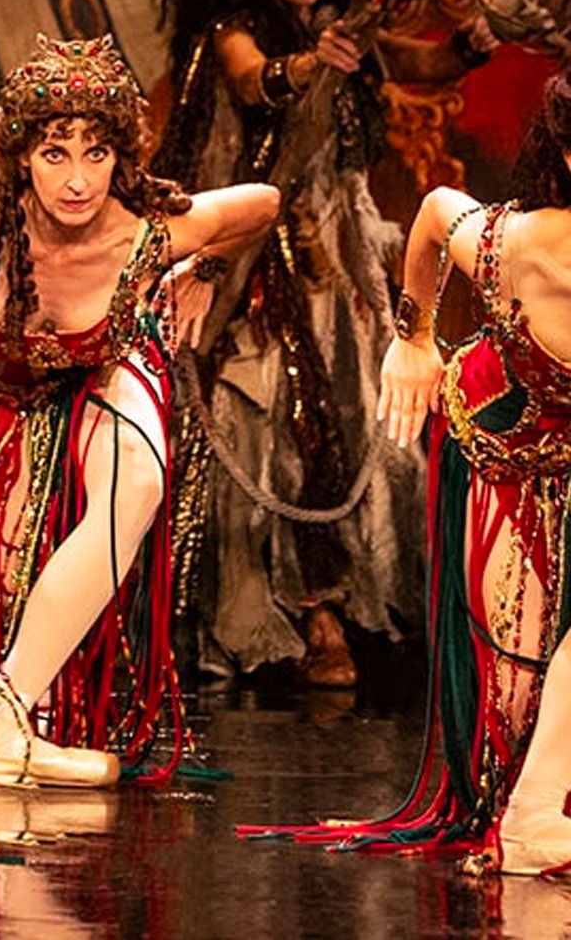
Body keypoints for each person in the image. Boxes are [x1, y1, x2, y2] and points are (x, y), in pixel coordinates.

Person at [0, 33, 279, 787]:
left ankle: (7, 717)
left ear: (121, 154)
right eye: (55, 153)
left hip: (104, 370)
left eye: (96, 152)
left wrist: (205, 268)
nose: (79, 179)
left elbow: (263, 202)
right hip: (0, 387)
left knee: (139, 482)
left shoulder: (145, 229)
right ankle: (18, 722)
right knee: (8, 554)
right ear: (21, 154)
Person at [241, 71, 571, 876]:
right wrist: (413, 335)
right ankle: (517, 814)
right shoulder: (521, 242)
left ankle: (535, 811)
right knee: (514, 685)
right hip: (508, 453)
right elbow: (431, 212)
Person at [155, 0, 497, 687]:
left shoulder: (346, 27)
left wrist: (471, 41)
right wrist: (314, 61)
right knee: (281, 416)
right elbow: (255, 83)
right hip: (262, 252)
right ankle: (312, 611)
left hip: (344, 256)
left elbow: (420, 65)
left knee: (366, 414)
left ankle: (371, 608)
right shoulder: (233, 28)